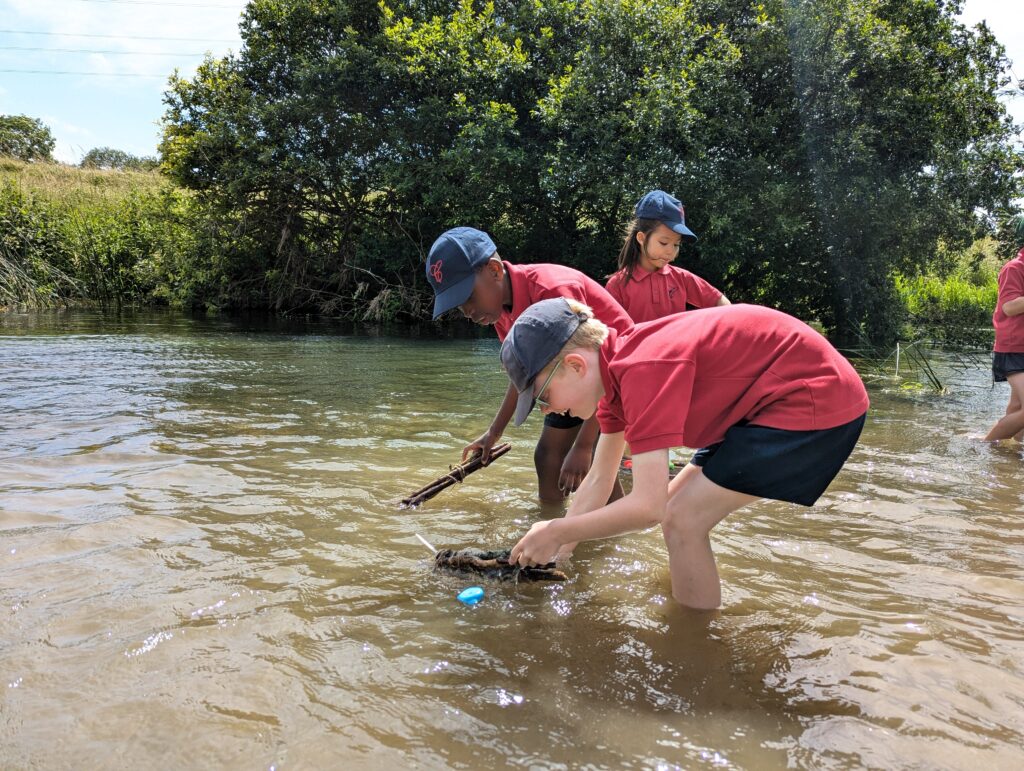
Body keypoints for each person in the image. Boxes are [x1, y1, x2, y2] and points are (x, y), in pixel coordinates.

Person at [502, 298, 869, 609]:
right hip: (760, 406)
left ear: (576, 366)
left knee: (681, 519)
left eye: (543, 398)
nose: (547, 412)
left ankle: (695, 643)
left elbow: (648, 507)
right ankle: (692, 610)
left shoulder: (641, 369)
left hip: (815, 402)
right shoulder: (614, 380)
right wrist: (556, 552)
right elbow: (599, 480)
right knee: (677, 516)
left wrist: (556, 529)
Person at [425, 226, 633, 502]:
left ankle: (611, 538)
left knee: (591, 463)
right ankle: (554, 530)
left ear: (495, 271)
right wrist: (493, 433)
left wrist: (583, 445)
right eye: (459, 307)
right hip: (566, 377)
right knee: (548, 458)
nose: (468, 313)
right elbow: (522, 373)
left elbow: (602, 368)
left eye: (468, 298)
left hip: (617, 376)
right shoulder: (499, 313)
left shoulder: (554, 292)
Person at [605, 190, 729, 323]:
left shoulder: (682, 278)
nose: (671, 251)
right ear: (641, 238)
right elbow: (608, 334)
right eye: (663, 243)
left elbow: (722, 305)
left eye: (676, 245)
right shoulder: (617, 285)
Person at [983, 214, 1024, 442]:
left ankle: (1010, 453)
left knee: (1018, 406)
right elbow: (1009, 307)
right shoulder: (1014, 268)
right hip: (1012, 348)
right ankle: (985, 444)